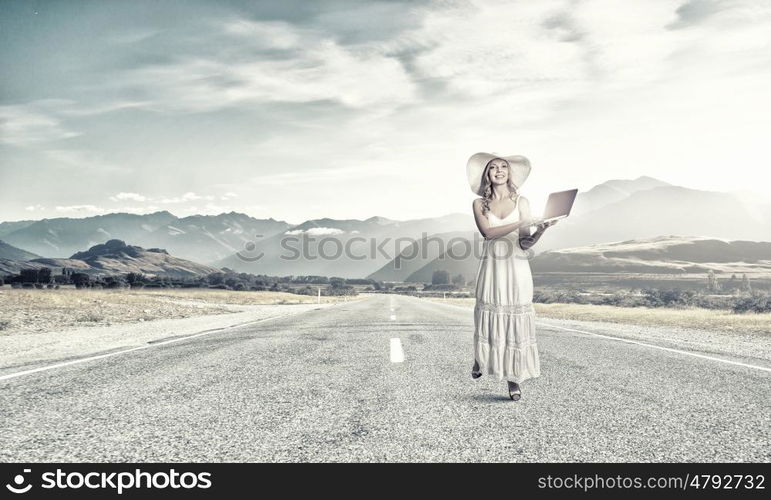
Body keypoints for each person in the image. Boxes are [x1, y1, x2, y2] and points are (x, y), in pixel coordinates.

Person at [467, 152, 556, 400]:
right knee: (489, 313)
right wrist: (521, 222)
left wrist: (541, 229)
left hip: (517, 266)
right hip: (493, 266)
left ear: (509, 173)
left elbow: (525, 243)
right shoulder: (478, 204)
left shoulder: (522, 202)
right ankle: (481, 358)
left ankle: (514, 379)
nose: (499, 170)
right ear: (487, 174)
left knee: (515, 321)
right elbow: (488, 232)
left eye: (503, 166)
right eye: (493, 167)